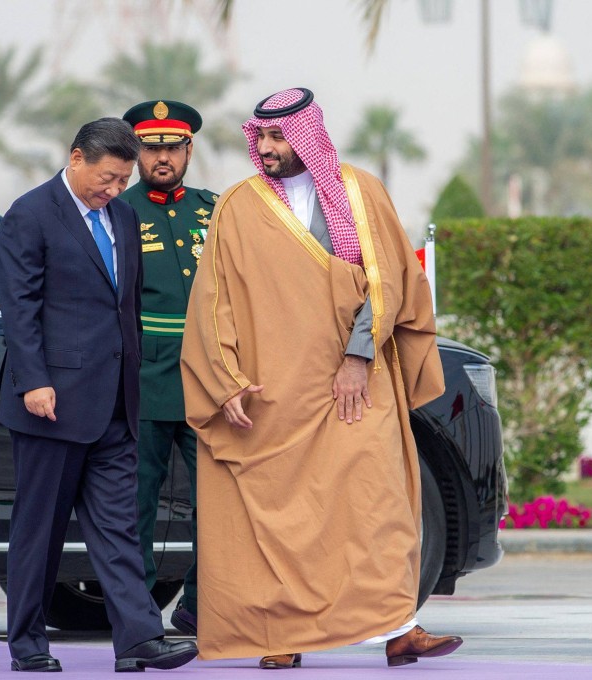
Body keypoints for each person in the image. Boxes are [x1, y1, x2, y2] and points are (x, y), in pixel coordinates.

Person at [180, 88, 464, 669]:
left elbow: (388, 284)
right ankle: (278, 637)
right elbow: (214, 302)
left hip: (356, 386)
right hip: (272, 394)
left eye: (280, 136)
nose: (268, 147)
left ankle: (400, 628)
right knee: (281, 520)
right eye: (260, 137)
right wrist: (225, 380)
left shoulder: (360, 193)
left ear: (309, 135)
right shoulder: (238, 205)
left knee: (378, 506)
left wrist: (358, 359)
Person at [0, 117, 198, 673]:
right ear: (77, 158)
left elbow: (125, 307)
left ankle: (137, 640)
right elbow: (20, 308)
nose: (113, 190)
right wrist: (34, 380)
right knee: (41, 533)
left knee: (119, 530)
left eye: (120, 180)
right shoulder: (31, 214)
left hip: (115, 405)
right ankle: (28, 646)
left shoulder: (124, 217)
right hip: (52, 403)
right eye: (106, 179)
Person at [118, 99, 219, 636]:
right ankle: (138, 611)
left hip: (207, 375)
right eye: (152, 148)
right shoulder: (117, 209)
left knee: (218, 501)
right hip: (142, 374)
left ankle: (199, 605)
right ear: (137, 151)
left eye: (172, 147)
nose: (163, 157)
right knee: (138, 502)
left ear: (188, 149)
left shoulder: (213, 210)